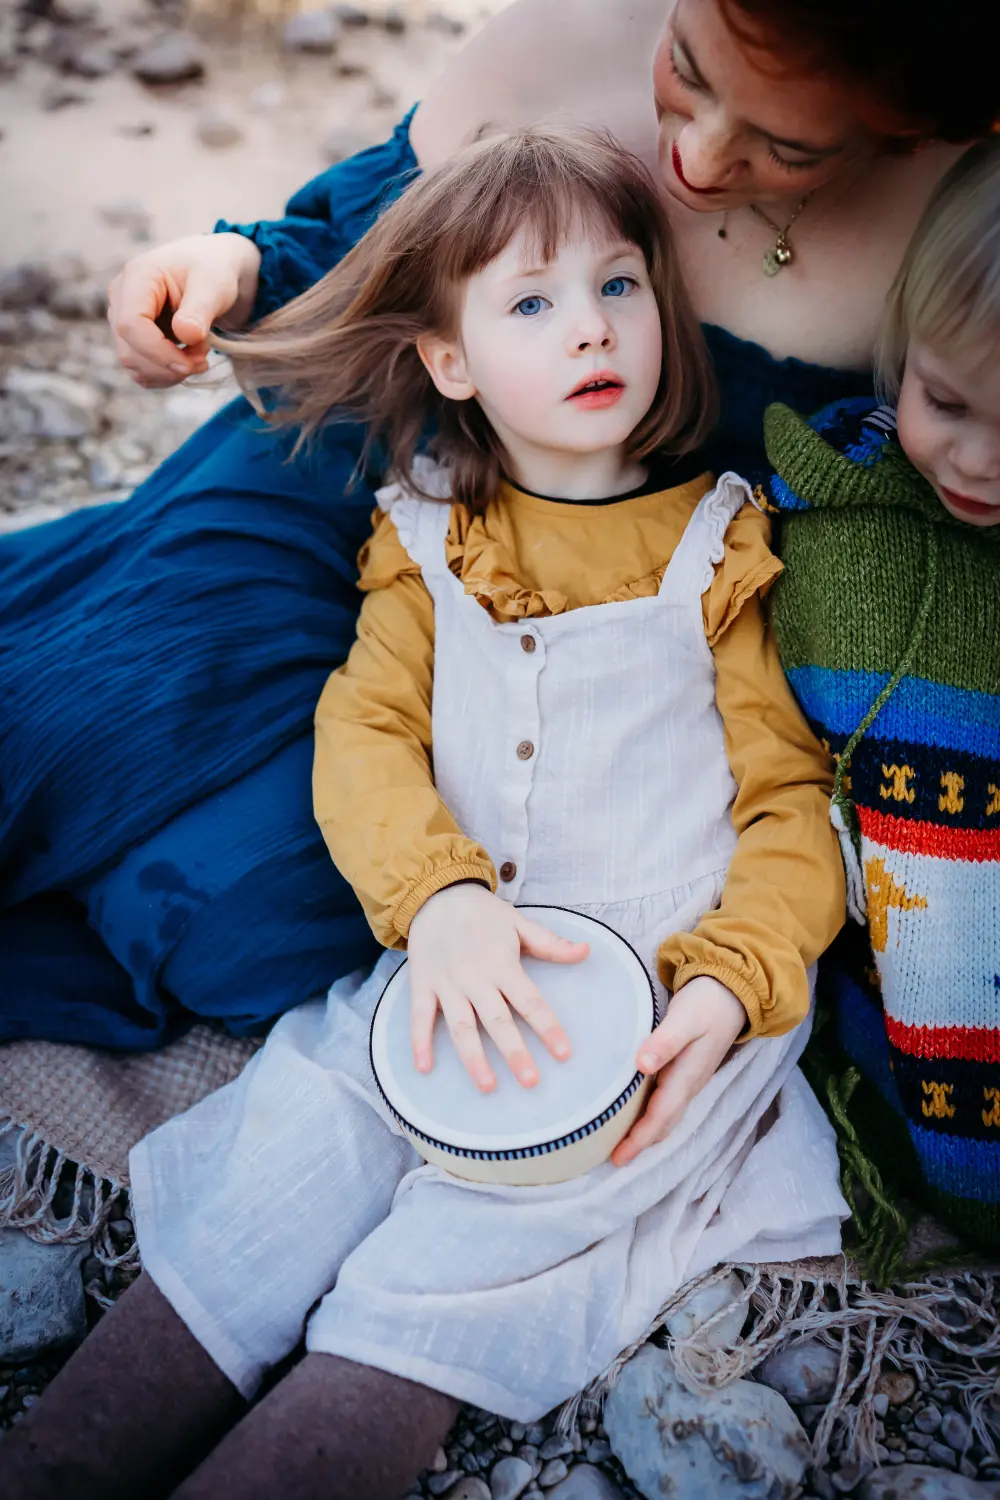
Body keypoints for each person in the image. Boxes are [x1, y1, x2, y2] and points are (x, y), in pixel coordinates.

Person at [4, 126, 849, 1500]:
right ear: (450, 363)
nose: (591, 330)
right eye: (532, 302)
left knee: (454, 1279)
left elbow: (789, 803)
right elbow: (369, 734)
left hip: (644, 1014)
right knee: (279, 1173)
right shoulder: (426, 530)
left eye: (619, 285)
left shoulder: (722, 543)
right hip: (445, 964)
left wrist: (735, 984)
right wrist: (441, 903)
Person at [1, 0, 993, 1048]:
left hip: (622, 621)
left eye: (788, 145)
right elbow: (359, 251)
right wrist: (230, 268)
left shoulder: (966, 214)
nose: (697, 159)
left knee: (259, 921)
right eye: (686, 70)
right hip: (354, 467)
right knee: (95, 720)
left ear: (905, 126)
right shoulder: (571, 37)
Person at [759, 138, 1000, 1270]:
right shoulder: (837, 536)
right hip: (882, 987)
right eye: (945, 400)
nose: (979, 461)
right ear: (900, 352)